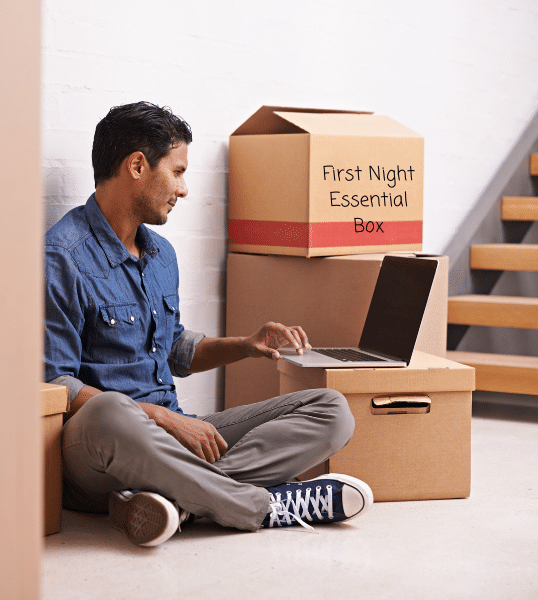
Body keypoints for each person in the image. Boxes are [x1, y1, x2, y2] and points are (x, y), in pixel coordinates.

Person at [44, 101, 373, 547]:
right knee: (111, 409)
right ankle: (257, 506)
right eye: (177, 172)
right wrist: (164, 419)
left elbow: (173, 348)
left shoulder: (162, 256)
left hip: (170, 438)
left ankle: (174, 502)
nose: (183, 190)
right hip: (97, 451)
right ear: (137, 165)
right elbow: (55, 383)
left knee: (332, 410)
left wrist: (244, 344)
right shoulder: (62, 256)